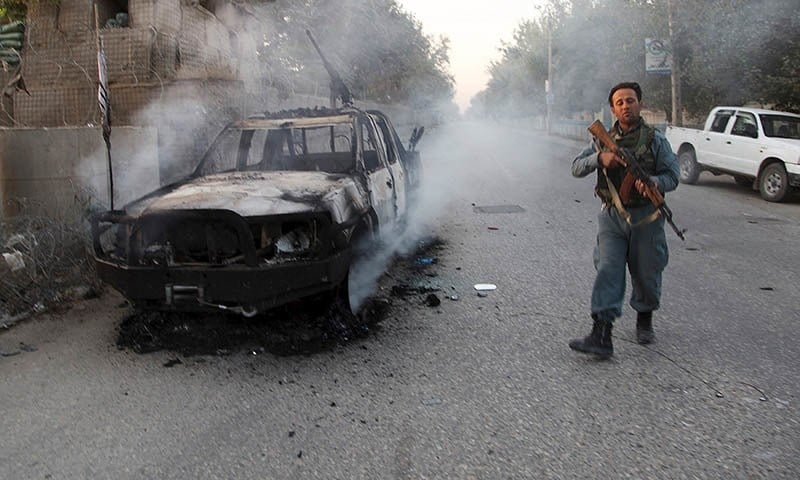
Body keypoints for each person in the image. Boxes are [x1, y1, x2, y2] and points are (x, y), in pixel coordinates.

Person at [569, 82, 679, 358]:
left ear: (640, 104)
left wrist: (653, 182)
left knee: (647, 271)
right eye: (619, 102)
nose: (625, 106)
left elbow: (673, 176)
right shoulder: (600, 139)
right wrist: (600, 158)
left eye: (630, 100)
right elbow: (576, 168)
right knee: (608, 269)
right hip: (612, 217)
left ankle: (645, 317)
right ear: (613, 109)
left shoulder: (655, 140)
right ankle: (601, 334)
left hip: (646, 218)